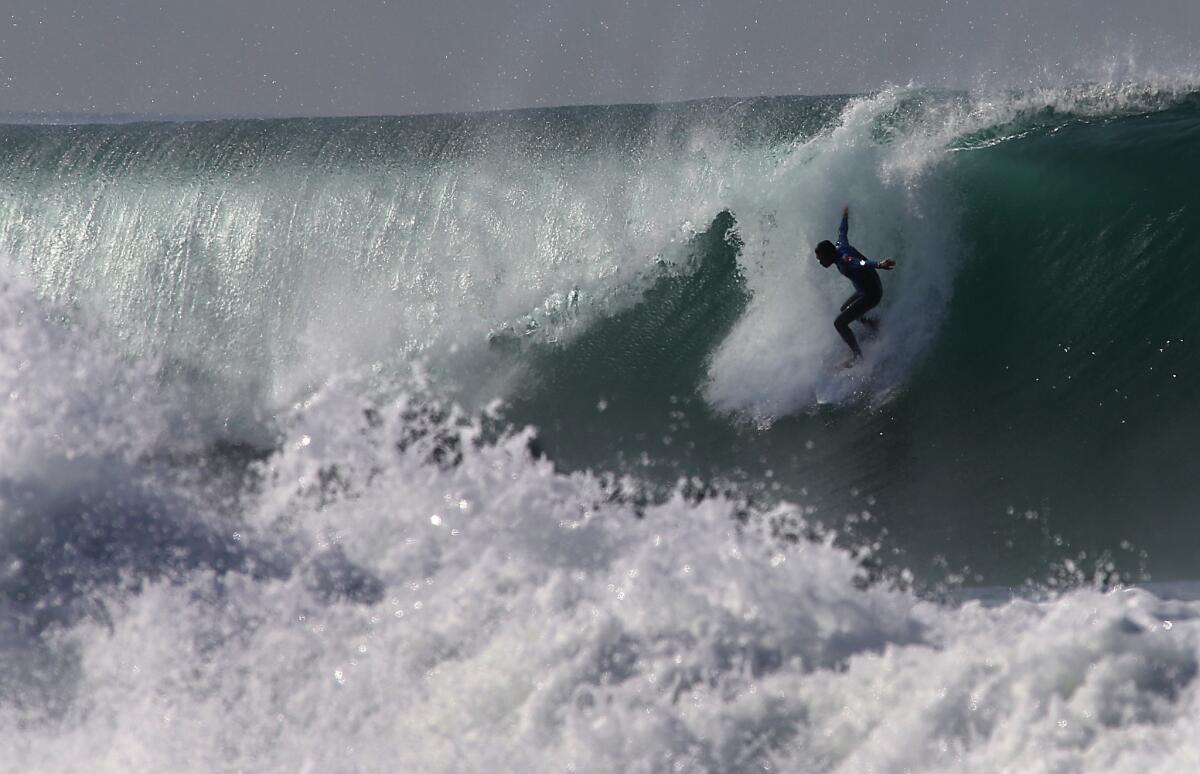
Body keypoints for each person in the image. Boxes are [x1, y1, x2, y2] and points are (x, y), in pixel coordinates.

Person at [813, 206, 895, 364]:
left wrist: (878, 263)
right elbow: (842, 231)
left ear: (829, 255)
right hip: (866, 290)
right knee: (844, 309)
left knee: (839, 323)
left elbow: (860, 262)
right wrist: (845, 215)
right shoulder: (839, 245)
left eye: (820, 258)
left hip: (871, 294)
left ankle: (857, 355)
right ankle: (873, 324)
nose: (820, 262)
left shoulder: (844, 259)